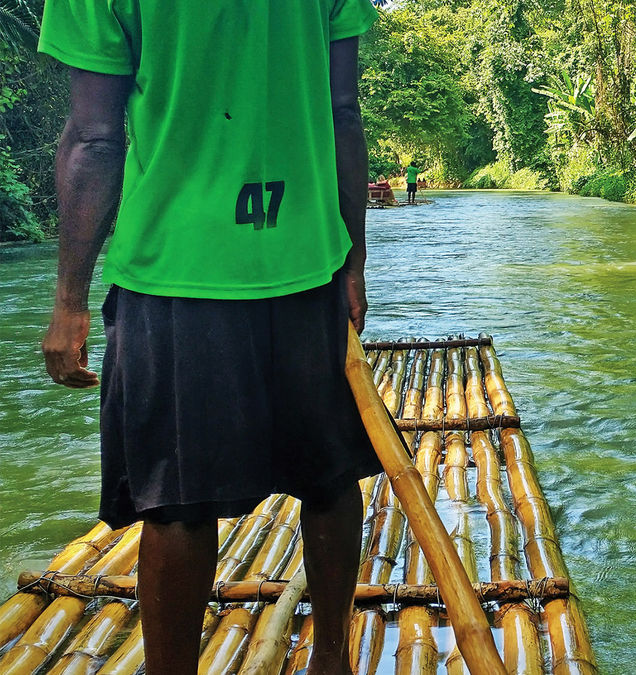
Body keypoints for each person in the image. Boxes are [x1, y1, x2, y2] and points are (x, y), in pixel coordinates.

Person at [37, 1, 382, 673]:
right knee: (330, 478)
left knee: (178, 504)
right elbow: (343, 111)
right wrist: (352, 261)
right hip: (305, 256)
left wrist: (69, 300)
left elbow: (95, 137)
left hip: (177, 269)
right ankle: (333, 659)